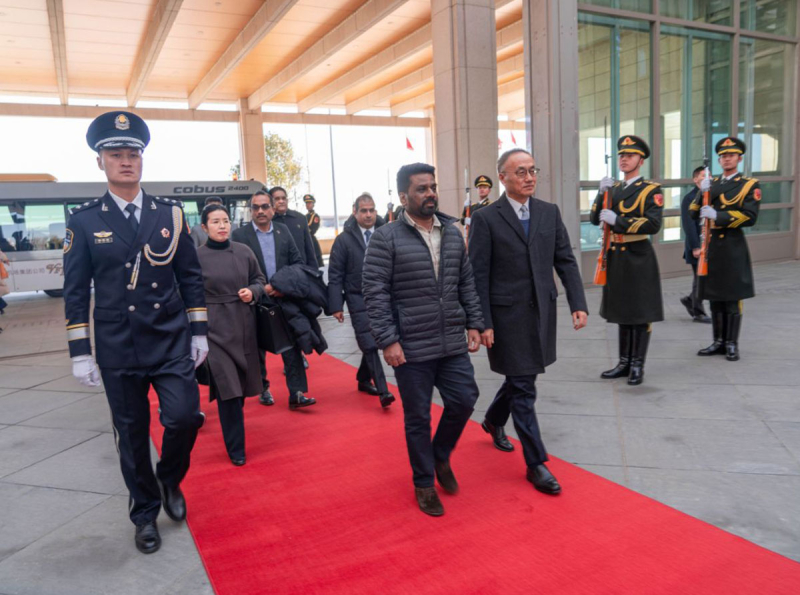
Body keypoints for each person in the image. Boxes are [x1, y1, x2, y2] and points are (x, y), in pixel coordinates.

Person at [63, 111, 208, 555]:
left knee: (184, 417)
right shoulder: (84, 220)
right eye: (115, 154)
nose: (125, 161)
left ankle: (169, 478)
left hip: (168, 338)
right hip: (118, 345)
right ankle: (144, 513)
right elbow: (74, 290)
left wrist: (199, 332)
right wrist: (80, 351)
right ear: (100, 162)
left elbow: (190, 277)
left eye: (132, 154)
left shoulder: (171, 213)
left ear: (142, 160)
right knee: (130, 434)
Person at [363, 163, 484, 517]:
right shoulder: (386, 238)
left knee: (464, 400)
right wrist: (388, 340)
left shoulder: (451, 230)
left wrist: (474, 322)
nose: (430, 193)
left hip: (451, 339)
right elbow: (374, 292)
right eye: (421, 189)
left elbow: (466, 282)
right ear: (404, 197)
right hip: (411, 345)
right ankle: (424, 482)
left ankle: (440, 455)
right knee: (418, 417)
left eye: (432, 187)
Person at [469, 149, 588, 495]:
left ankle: (493, 419)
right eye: (520, 172)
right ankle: (536, 463)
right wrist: (482, 321)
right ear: (503, 178)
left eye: (532, 170)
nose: (529, 177)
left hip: (542, 314)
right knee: (524, 387)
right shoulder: (487, 218)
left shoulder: (548, 213)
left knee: (522, 376)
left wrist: (576, 303)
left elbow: (565, 260)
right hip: (506, 318)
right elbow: (477, 274)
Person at [231, 190, 316, 409]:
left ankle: (296, 393)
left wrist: (281, 285)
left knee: (291, 344)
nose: (260, 211)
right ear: (251, 211)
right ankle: (264, 388)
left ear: (272, 209)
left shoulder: (283, 231)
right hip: (254, 301)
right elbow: (237, 272)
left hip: (282, 296)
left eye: (264, 206)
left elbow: (297, 263)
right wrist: (259, 289)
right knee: (257, 347)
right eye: (255, 207)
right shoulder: (240, 236)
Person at [590, 135, 664, 386]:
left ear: (640, 160)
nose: (624, 159)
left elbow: (653, 224)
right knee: (622, 312)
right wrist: (600, 193)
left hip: (638, 255)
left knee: (640, 313)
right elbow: (594, 217)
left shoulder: (650, 190)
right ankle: (623, 362)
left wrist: (618, 221)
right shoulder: (615, 189)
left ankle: (637, 365)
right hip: (616, 256)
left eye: (630, 155)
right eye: (621, 155)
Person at [196, 204, 266, 466]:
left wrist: (253, 292)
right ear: (204, 227)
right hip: (213, 330)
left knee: (240, 389)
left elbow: (260, 280)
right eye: (215, 222)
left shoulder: (244, 251)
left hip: (244, 326)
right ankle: (236, 448)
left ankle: (234, 433)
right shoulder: (196, 257)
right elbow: (187, 294)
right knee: (229, 391)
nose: (222, 226)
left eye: (225, 220)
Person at [691, 136, 760, 362]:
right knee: (714, 297)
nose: (726, 159)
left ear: (739, 158)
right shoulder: (713, 184)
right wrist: (702, 192)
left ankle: (731, 343)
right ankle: (718, 341)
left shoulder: (748, 185)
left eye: (730, 155)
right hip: (712, 247)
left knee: (731, 298)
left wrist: (718, 216)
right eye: (722, 156)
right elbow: (693, 212)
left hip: (732, 245)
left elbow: (750, 217)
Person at [327, 193, 394, 408]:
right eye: (363, 210)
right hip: (357, 297)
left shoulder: (387, 235)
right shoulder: (343, 240)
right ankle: (384, 392)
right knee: (370, 342)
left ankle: (364, 378)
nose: (368, 214)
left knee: (373, 340)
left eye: (372, 210)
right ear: (354, 212)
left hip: (384, 295)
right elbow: (335, 274)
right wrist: (336, 305)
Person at [679, 166, 711, 323]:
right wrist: (695, 246)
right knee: (700, 279)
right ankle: (698, 312)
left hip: (710, 244)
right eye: (703, 175)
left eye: (709, 175)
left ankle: (690, 300)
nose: (707, 178)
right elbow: (688, 224)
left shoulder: (711, 195)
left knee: (705, 278)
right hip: (697, 245)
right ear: (695, 179)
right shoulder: (689, 198)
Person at [270, 186, 318, 268]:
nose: (281, 201)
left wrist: (314, 272)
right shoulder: (268, 221)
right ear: (270, 202)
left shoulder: (300, 218)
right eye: (277, 199)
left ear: (287, 200)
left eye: (283, 198)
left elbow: (309, 248)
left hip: (301, 269)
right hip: (278, 273)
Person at [303, 194, 324, 267]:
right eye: (306, 203)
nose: (308, 205)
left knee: (315, 261)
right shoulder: (305, 216)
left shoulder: (315, 216)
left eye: (309, 203)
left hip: (311, 240)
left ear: (313, 204)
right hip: (305, 239)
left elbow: (313, 229)